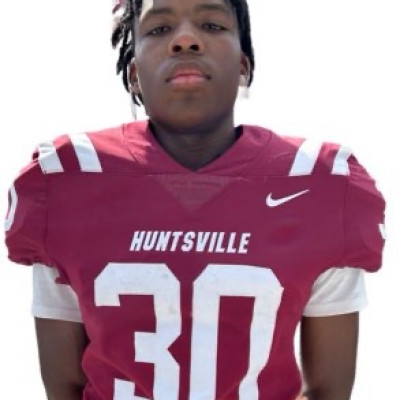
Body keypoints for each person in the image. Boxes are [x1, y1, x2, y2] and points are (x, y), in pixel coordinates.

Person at [4, 0, 385, 399]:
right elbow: (66, 385)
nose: (186, 40)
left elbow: (327, 388)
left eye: (212, 25)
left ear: (243, 66)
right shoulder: (67, 182)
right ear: (133, 74)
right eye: (159, 29)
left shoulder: (319, 185)